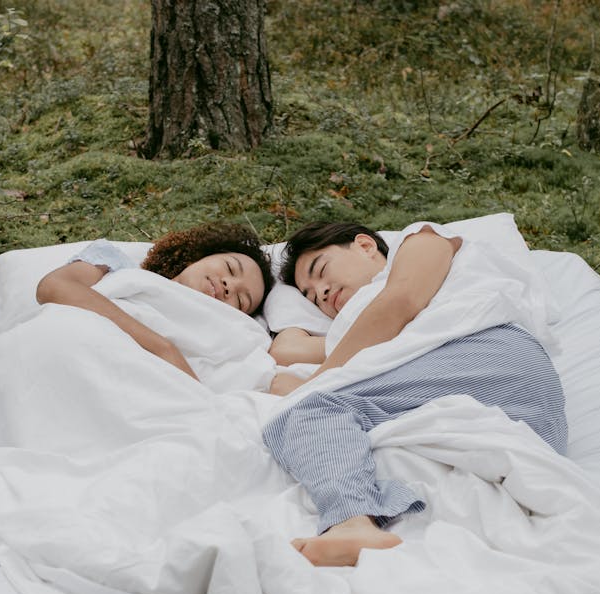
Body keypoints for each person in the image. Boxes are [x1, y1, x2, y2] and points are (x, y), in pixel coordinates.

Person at [262, 221, 568, 567]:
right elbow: (285, 350)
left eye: (320, 271)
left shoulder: (422, 240)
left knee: (310, 411)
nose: (321, 292)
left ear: (364, 246)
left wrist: (313, 383)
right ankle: (362, 524)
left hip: (487, 353)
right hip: (530, 426)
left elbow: (401, 301)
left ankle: (352, 521)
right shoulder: (352, 330)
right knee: (345, 436)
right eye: (310, 295)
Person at [36, 222, 274, 380]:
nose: (228, 286)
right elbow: (53, 288)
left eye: (241, 300)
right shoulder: (116, 265)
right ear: (201, 255)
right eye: (230, 268)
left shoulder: (216, 339)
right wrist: (162, 348)